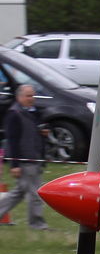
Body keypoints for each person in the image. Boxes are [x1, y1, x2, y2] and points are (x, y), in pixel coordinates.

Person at [0, 84, 51, 230]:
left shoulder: (34, 113)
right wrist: (15, 165)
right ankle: (37, 224)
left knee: (18, 193)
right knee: (35, 193)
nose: (31, 99)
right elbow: (13, 141)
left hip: (35, 157)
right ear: (19, 97)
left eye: (32, 95)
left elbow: (39, 128)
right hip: (25, 160)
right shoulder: (14, 114)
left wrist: (45, 131)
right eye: (28, 96)